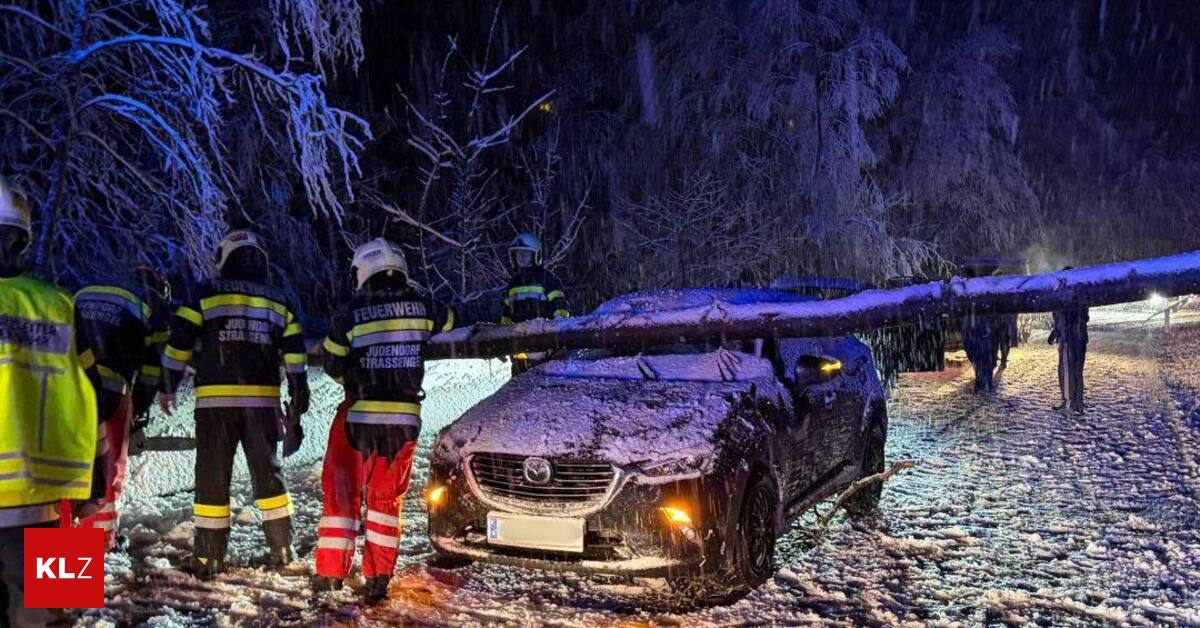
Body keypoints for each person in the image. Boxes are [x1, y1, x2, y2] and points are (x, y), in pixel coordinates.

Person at [158, 230, 308, 579]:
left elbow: (179, 342)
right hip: (263, 405)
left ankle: (209, 558)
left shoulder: (205, 294)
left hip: (216, 405)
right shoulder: (279, 301)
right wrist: (298, 403)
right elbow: (296, 358)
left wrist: (167, 387)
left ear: (225, 258)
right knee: (269, 476)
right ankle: (283, 548)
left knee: (212, 478)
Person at [315, 238, 453, 604]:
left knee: (342, 493)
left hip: (359, 415)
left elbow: (331, 362)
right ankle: (378, 578)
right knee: (385, 502)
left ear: (363, 269)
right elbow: (450, 318)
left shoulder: (351, 311)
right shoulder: (424, 306)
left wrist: (359, 375)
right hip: (404, 418)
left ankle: (331, 574)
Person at [0, 178, 102, 625]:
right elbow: (97, 395)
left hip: (48, 498)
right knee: (55, 613)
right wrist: (95, 479)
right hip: (51, 498)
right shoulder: (61, 304)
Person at [71, 266, 171, 549]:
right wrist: (138, 412)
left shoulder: (84, 292)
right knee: (111, 464)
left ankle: (64, 536)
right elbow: (152, 371)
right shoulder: (148, 309)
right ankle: (100, 541)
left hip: (70, 386)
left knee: (71, 463)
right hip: (111, 387)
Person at [499, 232, 569, 375]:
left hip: (545, 354)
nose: (521, 257)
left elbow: (560, 309)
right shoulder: (513, 284)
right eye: (518, 253)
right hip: (519, 356)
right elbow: (506, 316)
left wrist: (557, 337)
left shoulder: (548, 280)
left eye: (526, 253)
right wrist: (503, 341)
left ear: (535, 255)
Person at [1049, 299, 1089, 414]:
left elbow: (1061, 320)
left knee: (1068, 371)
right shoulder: (1078, 296)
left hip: (1070, 338)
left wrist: (1058, 331)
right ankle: (1075, 401)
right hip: (1075, 337)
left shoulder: (1063, 298)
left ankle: (1072, 401)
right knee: (1073, 371)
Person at [962, 311, 995, 392]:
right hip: (977, 335)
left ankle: (984, 380)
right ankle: (984, 380)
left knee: (982, 357)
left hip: (980, 335)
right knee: (980, 357)